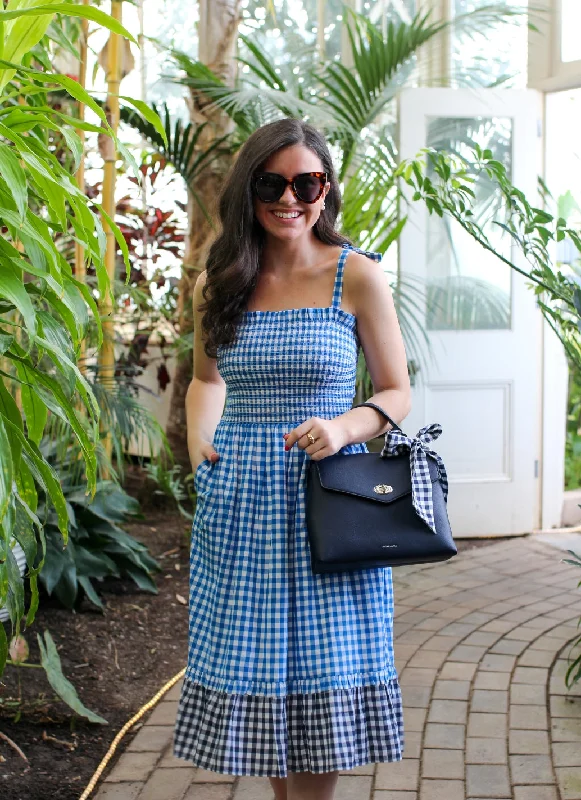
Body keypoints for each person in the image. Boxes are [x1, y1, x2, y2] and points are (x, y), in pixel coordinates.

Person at [173, 117, 411, 800]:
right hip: (241, 501)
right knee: (263, 674)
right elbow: (205, 382)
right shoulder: (220, 281)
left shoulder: (355, 276)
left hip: (327, 501)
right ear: (248, 190)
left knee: (321, 671)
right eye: (272, 183)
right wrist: (200, 444)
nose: (289, 198)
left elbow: (396, 390)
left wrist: (342, 428)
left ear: (326, 189)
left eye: (306, 183)